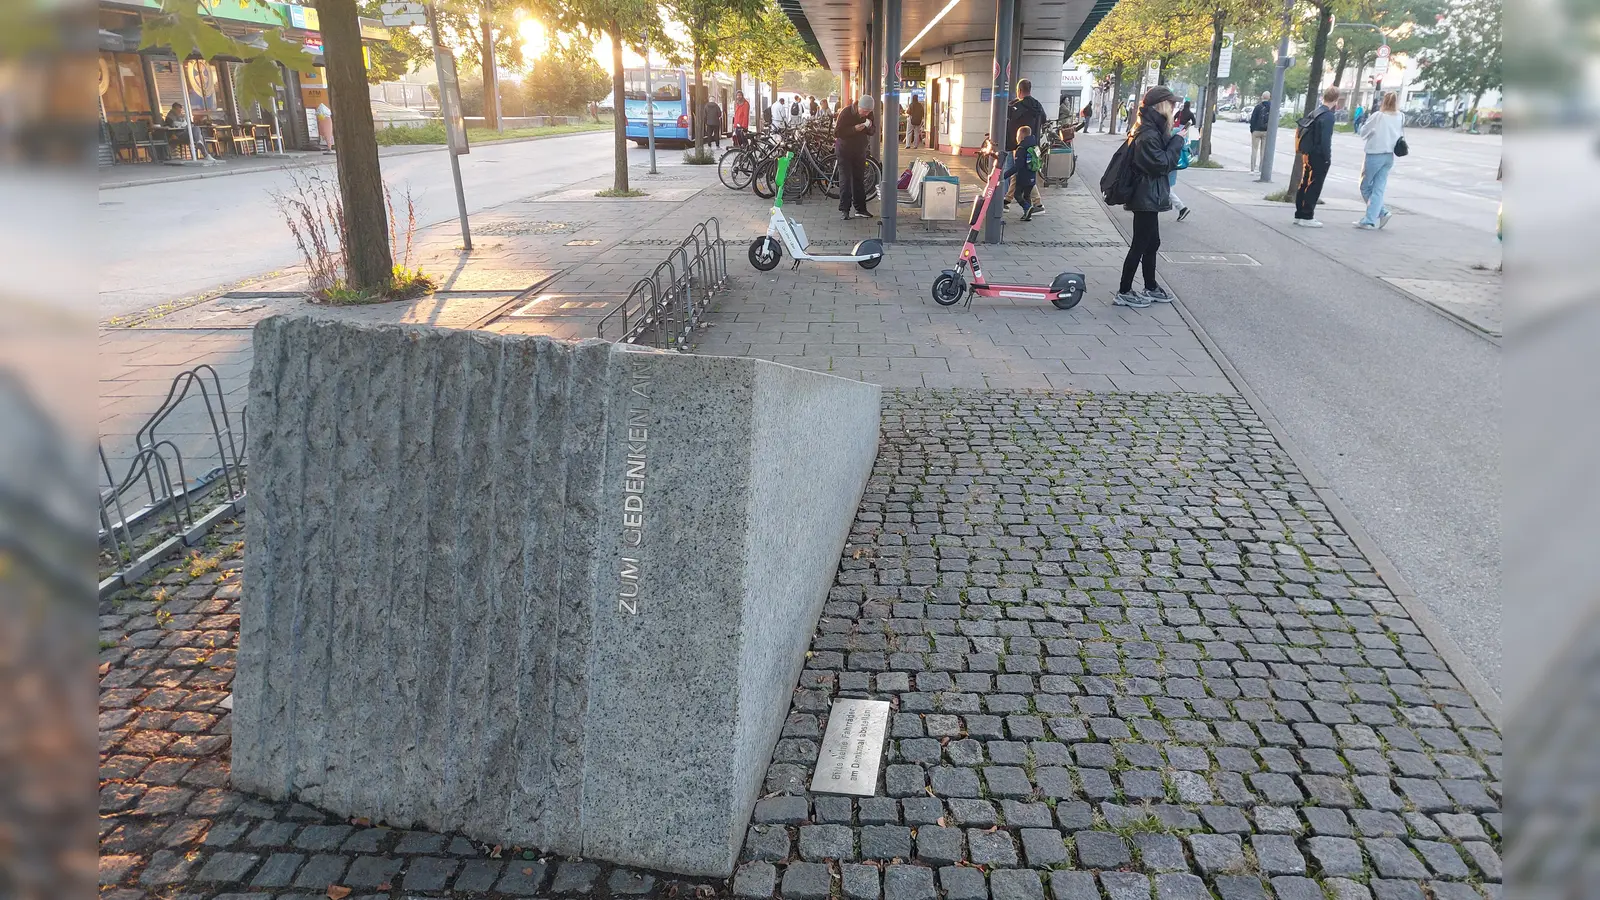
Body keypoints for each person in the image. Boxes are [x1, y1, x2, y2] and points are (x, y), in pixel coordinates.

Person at [1115, 86, 1185, 309]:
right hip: (1144, 195)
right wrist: (1176, 142)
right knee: (1140, 243)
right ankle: (1124, 290)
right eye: (1171, 104)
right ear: (1161, 106)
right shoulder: (1147, 133)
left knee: (1151, 242)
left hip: (1149, 195)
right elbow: (1160, 163)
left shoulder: (1152, 129)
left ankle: (1150, 285)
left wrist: (1171, 138)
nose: (1174, 108)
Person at [1354, 91, 1403, 230]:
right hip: (1389, 155)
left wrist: (1368, 130)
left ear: (1383, 102)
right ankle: (1379, 214)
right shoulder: (1400, 116)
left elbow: (1363, 132)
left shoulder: (1378, 116)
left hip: (1375, 154)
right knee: (1379, 188)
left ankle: (1372, 218)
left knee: (1365, 186)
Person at [1294, 86, 1341, 227]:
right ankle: (1308, 216)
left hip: (1308, 153)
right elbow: (1325, 140)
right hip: (1319, 155)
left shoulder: (1314, 112)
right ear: (1336, 100)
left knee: (1304, 183)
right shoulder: (1328, 116)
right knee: (1315, 184)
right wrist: (1327, 158)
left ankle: (1299, 214)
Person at [1004, 78, 1048, 211]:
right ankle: (1010, 200)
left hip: (1017, 146)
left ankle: (1006, 201)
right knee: (1025, 174)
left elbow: (1008, 123)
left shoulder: (1015, 106)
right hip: (1033, 145)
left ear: (1019, 90)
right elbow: (1044, 119)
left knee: (1013, 173)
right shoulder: (1037, 105)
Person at [835, 94, 877, 220]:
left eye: (868, 112)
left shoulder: (869, 115)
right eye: (864, 111)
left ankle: (861, 209)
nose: (866, 114)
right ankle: (845, 210)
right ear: (858, 106)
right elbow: (838, 132)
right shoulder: (846, 113)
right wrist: (854, 129)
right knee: (845, 180)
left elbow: (873, 130)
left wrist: (869, 127)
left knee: (859, 180)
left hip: (859, 150)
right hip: (844, 150)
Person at [1003, 124, 1041, 221]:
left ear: (1020, 136)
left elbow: (1017, 166)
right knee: (1027, 195)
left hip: (1023, 176)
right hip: (1032, 175)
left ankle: (1027, 207)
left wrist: (1005, 175)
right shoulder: (1034, 145)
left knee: (1017, 194)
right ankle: (1027, 215)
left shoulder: (1021, 149)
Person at [1248, 91, 1271, 172]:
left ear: (1262, 97)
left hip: (1256, 131)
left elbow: (1253, 119)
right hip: (1266, 131)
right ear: (1269, 97)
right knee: (1263, 151)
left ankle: (1252, 169)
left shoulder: (1258, 107)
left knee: (1254, 150)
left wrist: (1252, 130)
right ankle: (1261, 170)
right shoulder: (1271, 107)